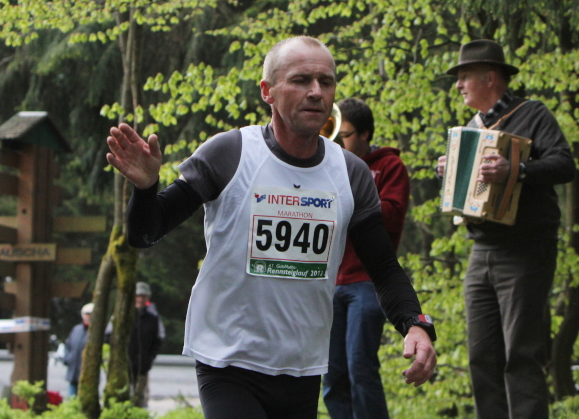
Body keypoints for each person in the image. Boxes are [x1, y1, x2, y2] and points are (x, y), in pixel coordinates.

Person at [107, 35, 437, 419]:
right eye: (301, 80)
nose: (316, 92)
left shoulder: (351, 173)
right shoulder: (230, 153)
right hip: (228, 360)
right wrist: (146, 189)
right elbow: (145, 233)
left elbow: (382, 267)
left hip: (302, 366)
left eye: (326, 82)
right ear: (268, 91)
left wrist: (415, 324)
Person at [436, 39, 576, 418]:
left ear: (491, 78)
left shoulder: (532, 114)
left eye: (465, 76)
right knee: (481, 356)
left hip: (527, 249)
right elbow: (469, 191)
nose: (458, 85)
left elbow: (565, 164)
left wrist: (516, 170)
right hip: (481, 251)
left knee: (521, 354)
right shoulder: (471, 128)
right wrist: (448, 170)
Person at [323, 98, 410, 419]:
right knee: (331, 374)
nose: (337, 142)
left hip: (366, 282)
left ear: (365, 134)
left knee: (360, 368)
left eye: (344, 135)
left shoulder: (390, 167)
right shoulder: (327, 163)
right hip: (330, 281)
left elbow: (392, 217)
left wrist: (351, 192)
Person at [129, 281, 165, 408]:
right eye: (138, 296)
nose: (140, 299)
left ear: (147, 298)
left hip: (143, 365)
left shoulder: (153, 318)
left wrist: (150, 357)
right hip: (125, 365)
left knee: (141, 396)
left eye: (143, 296)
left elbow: (159, 338)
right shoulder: (124, 315)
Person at [63, 302, 93, 397]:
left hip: (87, 375)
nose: (88, 317)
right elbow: (68, 345)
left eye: (91, 314)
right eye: (87, 314)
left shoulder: (96, 332)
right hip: (73, 373)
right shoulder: (76, 329)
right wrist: (68, 358)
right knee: (71, 399)